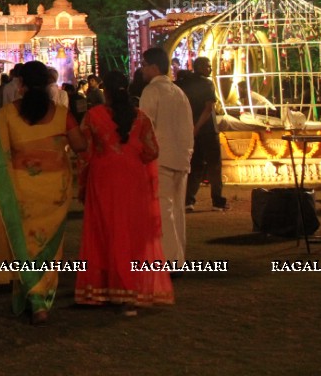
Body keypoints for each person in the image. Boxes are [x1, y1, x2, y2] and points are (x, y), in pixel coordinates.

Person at [0, 60, 86, 324]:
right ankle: (40, 298)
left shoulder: (7, 115)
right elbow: (80, 145)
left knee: (24, 243)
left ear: (21, 84)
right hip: (55, 192)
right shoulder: (61, 113)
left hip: (21, 189)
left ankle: (36, 302)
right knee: (48, 247)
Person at [75, 71, 173, 314]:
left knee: (105, 231)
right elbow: (152, 151)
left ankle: (105, 289)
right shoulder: (141, 117)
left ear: (104, 91)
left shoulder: (93, 116)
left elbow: (85, 152)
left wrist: (83, 182)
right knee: (131, 232)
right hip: (133, 180)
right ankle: (132, 289)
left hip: (104, 178)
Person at [138, 47, 194, 267]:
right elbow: (188, 127)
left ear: (154, 67)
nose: (142, 70)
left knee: (164, 210)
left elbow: (145, 127)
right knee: (177, 210)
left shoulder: (152, 92)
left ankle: (170, 261)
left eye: (144, 65)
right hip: (181, 156)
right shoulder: (179, 93)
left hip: (161, 158)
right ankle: (177, 259)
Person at [180, 56, 227, 211]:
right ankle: (217, 201)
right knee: (214, 165)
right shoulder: (207, 84)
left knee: (196, 165)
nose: (210, 69)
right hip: (207, 130)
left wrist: (192, 128)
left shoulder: (186, 84)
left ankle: (189, 201)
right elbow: (208, 108)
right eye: (207, 66)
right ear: (199, 67)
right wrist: (198, 126)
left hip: (192, 129)